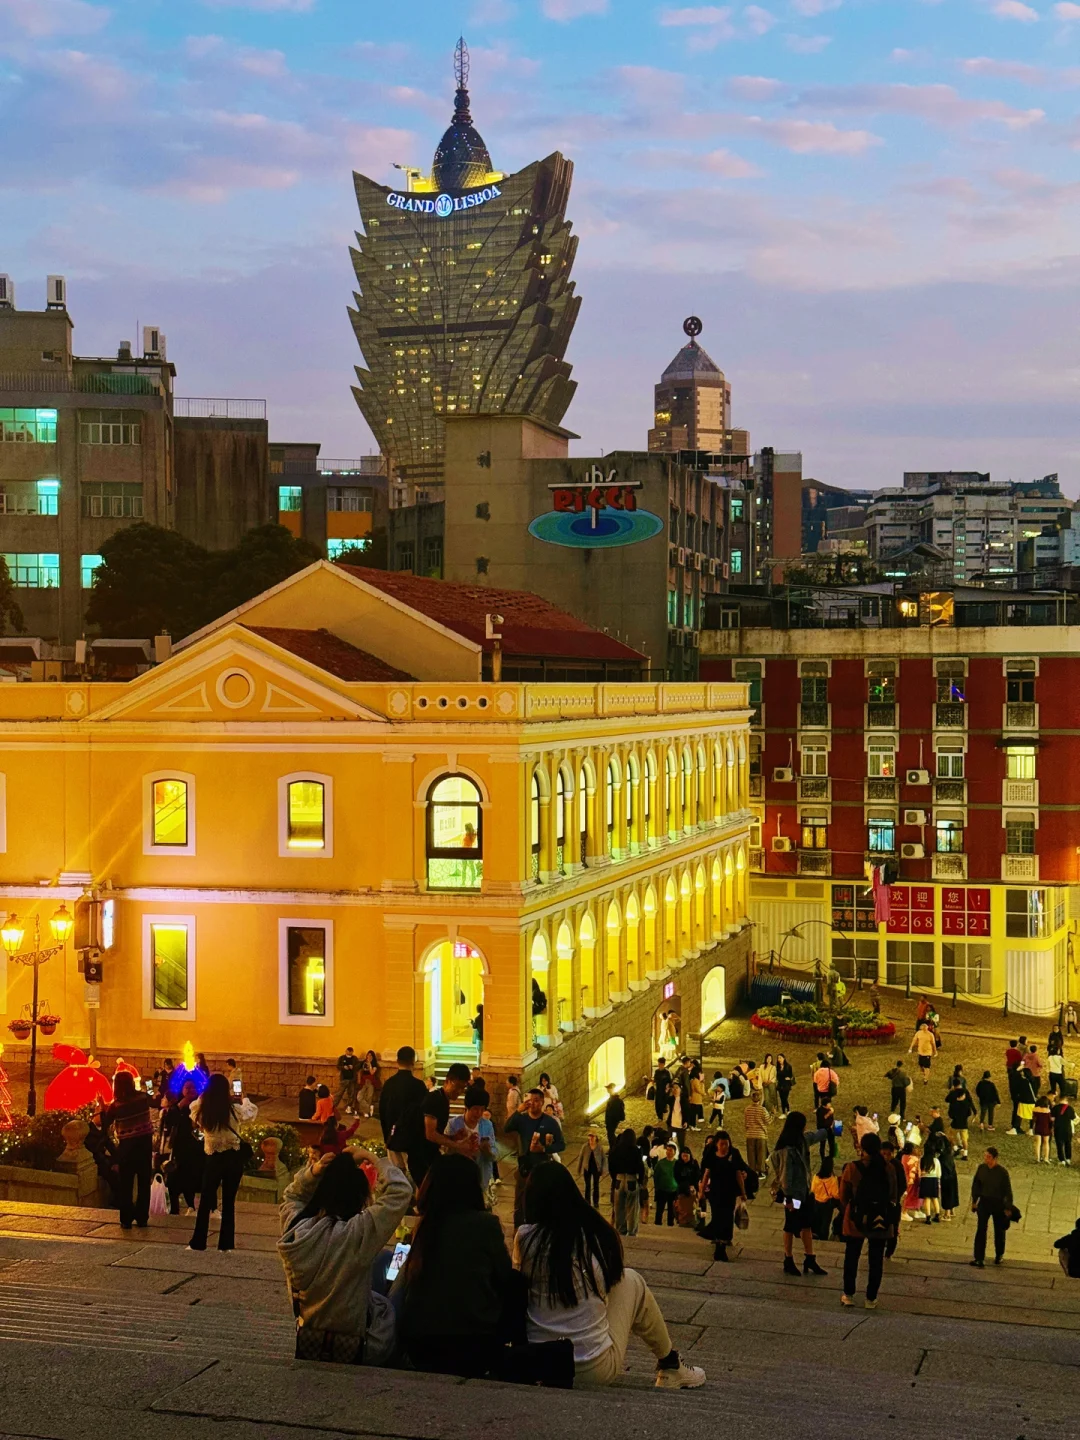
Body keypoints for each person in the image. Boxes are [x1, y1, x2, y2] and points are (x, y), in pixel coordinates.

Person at [513, 1162, 705, 1389]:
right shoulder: (591, 1236)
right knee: (631, 1280)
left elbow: (519, 1285)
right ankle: (670, 1363)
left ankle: (670, 1363)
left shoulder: (524, 1238)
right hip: (592, 1369)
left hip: (538, 1364)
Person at [278, 1145, 411, 1366]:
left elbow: (292, 1195)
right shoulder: (358, 1232)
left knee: (382, 1259)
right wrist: (372, 1158)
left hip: (311, 1338)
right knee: (402, 1267)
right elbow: (401, 1191)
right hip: (363, 1344)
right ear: (360, 1197)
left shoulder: (295, 1229)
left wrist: (315, 1171)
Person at [398, 1154, 514, 1377]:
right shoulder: (485, 1225)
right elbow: (504, 1275)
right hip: (473, 1341)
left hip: (420, 1341)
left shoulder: (426, 1225)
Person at [839, 1132, 899, 1308]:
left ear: (862, 1148)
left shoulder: (852, 1168)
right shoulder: (888, 1168)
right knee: (876, 1260)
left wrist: (850, 1209)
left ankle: (848, 1294)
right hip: (880, 1218)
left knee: (852, 1256)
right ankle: (871, 1298)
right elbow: (893, 1194)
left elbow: (843, 1196)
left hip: (857, 1218)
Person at [188, 1074, 245, 1252]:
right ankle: (226, 1244)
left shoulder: (202, 1110)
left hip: (213, 1158)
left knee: (205, 1200)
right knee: (229, 1202)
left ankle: (198, 1242)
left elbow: (193, 1106)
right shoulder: (234, 1110)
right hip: (233, 1158)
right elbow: (251, 1111)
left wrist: (204, 1095)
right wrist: (243, 1098)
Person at [768, 1112, 828, 1277]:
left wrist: (829, 1126)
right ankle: (788, 1259)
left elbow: (817, 1135)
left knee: (806, 1224)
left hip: (805, 1192)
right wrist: (789, 1199)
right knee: (790, 1225)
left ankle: (810, 1257)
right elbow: (786, 1178)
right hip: (792, 1196)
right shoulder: (787, 1150)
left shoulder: (801, 1140)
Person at [403, 1063, 474, 1189]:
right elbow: (430, 1134)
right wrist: (458, 1146)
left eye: (463, 1088)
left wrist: (452, 1138)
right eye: (458, 1086)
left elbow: (436, 1133)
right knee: (429, 1192)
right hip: (420, 1157)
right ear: (448, 1080)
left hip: (429, 1155)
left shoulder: (443, 1099)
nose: (459, 1091)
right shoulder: (435, 1099)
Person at [505, 1086, 566, 1227]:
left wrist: (544, 1148)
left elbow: (561, 1144)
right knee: (520, 1204)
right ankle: (518, 1232)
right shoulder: (522, 1120)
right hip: (524, 1168)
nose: (533, 1103)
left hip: (542, 1168)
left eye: (536, 1100)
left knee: (541, 1203)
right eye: (530, 1100)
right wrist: (518, 1111)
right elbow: (506, 1128)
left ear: (542, 1102)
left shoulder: (550, 1122)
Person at [100, 1071, 153, 1230]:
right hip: (144, 1146)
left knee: (126, 1184)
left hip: (126, 1148)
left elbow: (105, 1125)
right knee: (144, 1183)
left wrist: (102, 1108)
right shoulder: (143, 1098)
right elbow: (155, 1100)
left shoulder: (116, 1106)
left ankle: (126, 1219)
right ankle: (142, 1218)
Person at [700, 1130, 748, 1262]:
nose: (724, 1147)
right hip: (715, 1192)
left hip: (729, 1192)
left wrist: (743, 1192)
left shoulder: (734, 1153)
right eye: (722, 1144)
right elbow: (706, 1174)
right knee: (717, 1217)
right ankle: (718, 1246)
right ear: (717, 1144)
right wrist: (702, 1191)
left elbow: (738, 1173)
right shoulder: (711, 1155)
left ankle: (722, 1244)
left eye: (726, 1144)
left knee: (727, 1218)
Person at [379, 1046, 428, 1168]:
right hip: (413, 1141)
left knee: (396, 1175)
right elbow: (424, 1113)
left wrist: (386, 1137)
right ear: (413, 1061)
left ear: (397, 1061)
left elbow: (382, 1112)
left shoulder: (389, 1084)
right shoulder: (419, 1086)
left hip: (393, 1138)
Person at [447, 1085, 497, 1201]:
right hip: (457, 1177)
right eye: (475, 1109)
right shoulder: (453, 1124)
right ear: (467, 1107)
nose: (479, 1113)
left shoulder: (487, 1125)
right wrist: (459, 1146)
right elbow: (446, 1152)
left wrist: (488, 1151)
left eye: (482, 1109)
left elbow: (494, 1154)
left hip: (481, 1178)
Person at [970, 1147, 1013, 1267]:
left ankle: (999, 1254)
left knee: (999, 1230)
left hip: (998, 1203)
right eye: (985, 1156)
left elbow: (1007, 1191)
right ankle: (979, 1257)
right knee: (981, 1229)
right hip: (984, 1202)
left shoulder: (1002, 1172)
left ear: (995, 1158)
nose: (986, 1159)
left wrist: (1008, 1207)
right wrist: (974, 1201)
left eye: (988, 1157)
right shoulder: (982, 1169)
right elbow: (976, 1185)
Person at [609, 1130, 645, 1237]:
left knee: (618, 1207)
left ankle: (621, 1229)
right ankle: (632, 1230)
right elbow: (641, 1167)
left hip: (619, 1179)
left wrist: (614, 1178)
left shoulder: (616, 1149)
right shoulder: (636, 1150)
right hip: (631, 1179)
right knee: (632, 1207)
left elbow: (611, 1165)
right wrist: (640, 1181)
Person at [575, 1131, 607, 1209]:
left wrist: (604, 1170)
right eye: (590, 1136)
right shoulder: (585, 1146)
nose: (591, 1138)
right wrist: (578, 1169)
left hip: (596, 1168)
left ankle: (596, 1202)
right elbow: (581, 1158)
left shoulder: (599, 1147)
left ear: (596, 1138)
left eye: (593, 1136)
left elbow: (604, 1159)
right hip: (587, 1168)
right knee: (587, 1185)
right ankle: (587, 1201)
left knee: (596, 1185)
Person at [742, 1090, 771, 1176]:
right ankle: (761, 1171)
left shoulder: (747, 1109)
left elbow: (746, 1122)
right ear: (760, 1099)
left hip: (750, 1134)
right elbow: (768, 1121)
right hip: (760, 1134)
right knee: (761, 1154)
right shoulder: (762, 1110)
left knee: (751, 1154)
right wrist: (773, 1114)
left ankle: (752, 1170)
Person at [946, 1078, 976, 1160]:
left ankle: (956, 1148)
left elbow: (950, 1114)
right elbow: (969, 1113)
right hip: (964, 1124)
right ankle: (965, 1155)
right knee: (964, 1140)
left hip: (955, 1123)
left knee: (950, 1136)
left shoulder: (954, 1103)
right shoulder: (966, 1104)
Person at [652, 1143, 678, 1227]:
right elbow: (656, 1176)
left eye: (670, 1150)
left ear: (674, 1152)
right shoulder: (660, 1163)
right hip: (662, 1190)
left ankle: (670, 1225)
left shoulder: (677, 1163)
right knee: (659, 1209)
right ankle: (658, 1225)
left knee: (671, 1211)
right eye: (667, 1150)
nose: (668, 1152)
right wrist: (657, 1188)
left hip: (673, 1190)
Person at [900, 1141, 921, 1222]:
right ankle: (904, 1212)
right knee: (910, 1195)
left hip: (904, 1178)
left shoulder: (904, 1156)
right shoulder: (913, 1158)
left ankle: (913, 1210)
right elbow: (914, 1170)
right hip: (911, 1180)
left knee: (907, 1195)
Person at [1052, 1095, 1076, 1166]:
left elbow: (1052, 1119)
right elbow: (1073, 1118)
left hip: (1058, 1128)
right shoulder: (1070, 1108)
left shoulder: (1055, 1108)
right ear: (1066, 1101)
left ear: (1060, 1100)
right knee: (1068, 1143)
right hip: (1067, 1129)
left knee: (1059, 1144)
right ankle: (1068, 1159)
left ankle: (1062, 1160)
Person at [334, 1047, 360, 1114]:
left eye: (351, 1051)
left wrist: (353, 1067)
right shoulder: (342, 1058)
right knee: (339, 1093)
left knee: (351, 1094)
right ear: (346, 1051)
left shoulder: (355, 1058)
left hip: (352, 1079)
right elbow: (338, 1066)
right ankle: (333, 1106)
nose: (349, 1052)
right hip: (344, 1079)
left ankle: (349, 1107)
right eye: (348, 1051)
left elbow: (358, 1066)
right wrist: (343, 1067)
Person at [1032, 1094, 1053, 1164]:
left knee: (1037, 1143)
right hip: (1046, 1128)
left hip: (1038, 1127)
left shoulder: (1035, 1109)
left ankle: (1037, 1158)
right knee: (1046, 1143)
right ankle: (1046, 1158)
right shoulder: (1048, 1111)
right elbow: (1050, 1121)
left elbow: (1033, 1119)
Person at [603, 1083, 625, 1151]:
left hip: (612, 1120)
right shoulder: (612, 1098)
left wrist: (613, 1119)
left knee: (610, 1134)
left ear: (612, 1089)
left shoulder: (616, 1100)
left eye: (609, 1088)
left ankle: (614, 1147)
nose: (607, 1090)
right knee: (610, 1134)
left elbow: (615, 1111)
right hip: (610, 1120)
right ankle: (613, 1147)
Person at [651, 1058, 673, 1123]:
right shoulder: (657, 1071)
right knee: (657, 1104)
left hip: (665, 1091)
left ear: (663, 1064)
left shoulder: (667, 1072)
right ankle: (659, 1117)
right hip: (658, 1090)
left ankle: (665, 1113)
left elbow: (670, 1081)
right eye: (659, 1064)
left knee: (664, 1103)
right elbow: (655, 1080)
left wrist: (668, 1088)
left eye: (661, 1064)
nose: (659, 1065)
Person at [688, 1065, 707, 1130]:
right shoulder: (695, 1080)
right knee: (694, 1113)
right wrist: (703, 1093)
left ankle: (692, 1125)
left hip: (696, 1099)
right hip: (696, 1099)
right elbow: (698, 1090)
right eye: (700, 1073)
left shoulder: (695, 1080)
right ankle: (693, 1125)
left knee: (693, 1113)